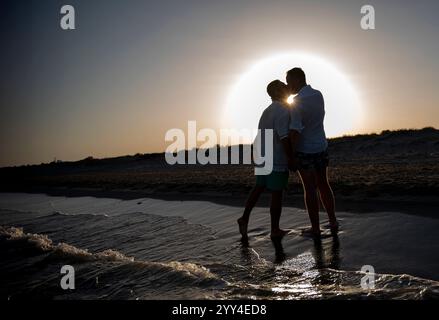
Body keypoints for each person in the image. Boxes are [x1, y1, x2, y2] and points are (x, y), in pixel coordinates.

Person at [237, 80, 294, 241]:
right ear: (278, 92)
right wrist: (291, 158)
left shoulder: (267, 111)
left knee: (259, 186)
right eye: (284, 86)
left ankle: (244, 218)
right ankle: (275, 229)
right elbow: (284, 137)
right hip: (275, 157)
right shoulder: (283, 110)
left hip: (261, 155)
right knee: (277, 193)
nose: (287, 88)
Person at [286, 67, 338, 238]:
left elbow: (295, 132)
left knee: (309, 189)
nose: (288, 86)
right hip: (321, 146)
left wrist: (291, 156)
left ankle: (315, 228)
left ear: (296, 79)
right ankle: (332, 221)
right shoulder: (318, 94)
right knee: (324, 184)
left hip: (305, 150)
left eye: (289, 82)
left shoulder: (296, 103)